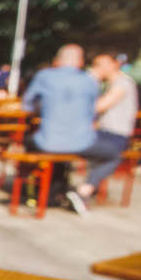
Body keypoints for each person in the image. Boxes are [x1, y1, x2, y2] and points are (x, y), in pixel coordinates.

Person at [20, 44, 101, 212]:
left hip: (48, 142)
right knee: (113, 152)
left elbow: (26, 105)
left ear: (57, 61)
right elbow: (94, 111)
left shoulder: (45, 76)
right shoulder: (89, 80)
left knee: (28, 141)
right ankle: (78, 188)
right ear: (80, 62)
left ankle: (31, 189)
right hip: (82, 143)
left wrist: (42, 109)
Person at [61, 52, 140, 214]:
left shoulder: (122, 83)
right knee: (112, 155)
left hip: (114, 136)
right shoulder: (111, 84)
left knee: (113, 154)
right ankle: (82, 191)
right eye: (95, 64)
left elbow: (98, 107)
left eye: (100, 64)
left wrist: (90, 80)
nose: (97, 68)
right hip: (105, 135)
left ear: (114, 64)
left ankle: (82, 191)